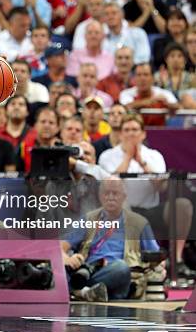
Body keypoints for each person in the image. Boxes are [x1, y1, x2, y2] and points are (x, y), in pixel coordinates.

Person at [99, 114, 195, 278]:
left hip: (151, 208)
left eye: (135, 130)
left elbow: (161, 186)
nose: (131, 134)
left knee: (182, 205)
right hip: (124, 209)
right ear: (120, 134)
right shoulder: (107, 156)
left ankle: (177, 259)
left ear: (143, 134)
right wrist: (128, 158)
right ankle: (129, 261)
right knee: (120, 207)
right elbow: (109, 188)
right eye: (127, 130)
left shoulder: (154, 155)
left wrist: (142, 162)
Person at [62, 177, 160, 301]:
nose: (110, 197)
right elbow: (61, 248)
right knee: (58, 269)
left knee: (120, 268)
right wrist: (67, 259)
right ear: (100, 196)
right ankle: (88, 292)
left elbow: (155, 256)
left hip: (122, 275)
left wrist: (159, 266)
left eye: (115, 193)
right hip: (90, 272)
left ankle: (79, 292)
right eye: (106, 193)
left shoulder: (140, 223)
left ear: (124, 196)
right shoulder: (88, 219)